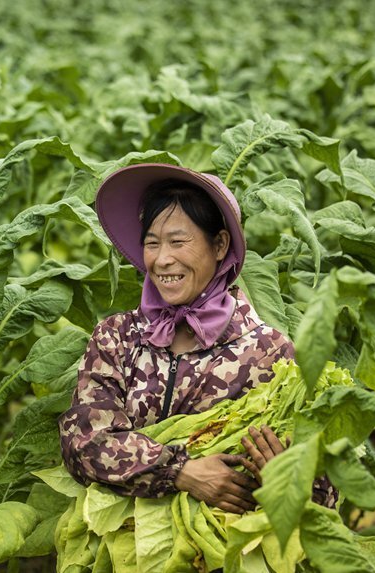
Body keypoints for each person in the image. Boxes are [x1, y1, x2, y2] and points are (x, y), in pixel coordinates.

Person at [58, 163, 334, 514]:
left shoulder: (268, 353)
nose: (162, 260)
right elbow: (83, 444)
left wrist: (286, 479)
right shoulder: (118, 338)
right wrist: (181, 472)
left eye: (178, 241)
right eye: (152, 243)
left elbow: (326, 492)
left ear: (220, 245)